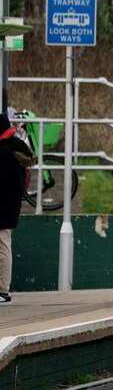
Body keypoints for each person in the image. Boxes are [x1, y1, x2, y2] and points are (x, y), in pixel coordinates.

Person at [1, 112, 34, 304]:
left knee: (2, 247)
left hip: (3, 206)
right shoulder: (15, 147)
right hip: (10, 204)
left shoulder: (5, 152)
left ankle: (3, 291)